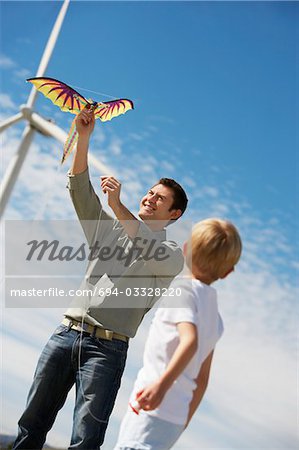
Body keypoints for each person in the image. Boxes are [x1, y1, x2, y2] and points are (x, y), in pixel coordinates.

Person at [13, 106, 188, 449]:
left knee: (86, 441)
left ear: (174, 214)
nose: (150, 198)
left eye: (160, 199)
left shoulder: (171, 258)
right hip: (65, 334)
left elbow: (143, 241)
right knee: (30, 427)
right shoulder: (107, 229)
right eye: (150, 193)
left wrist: (119, 206)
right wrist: (84, 138)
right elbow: (80, 189)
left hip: (107, 351)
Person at [114, 218, 242, 450]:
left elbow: (189, 342)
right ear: (228, 272)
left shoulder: (182, 291)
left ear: (185, 250)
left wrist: (160, 387)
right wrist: (184, 420)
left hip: (151, 405)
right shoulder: (216, 317)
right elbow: (202, 379)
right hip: (176, 417)